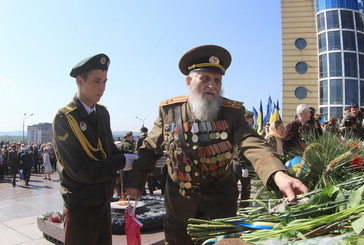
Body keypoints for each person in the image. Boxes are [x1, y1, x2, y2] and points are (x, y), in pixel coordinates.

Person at [126, 45, 308, 245]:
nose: (212, 85)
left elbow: (252, 142)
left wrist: (278, 174)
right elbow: (150, 148)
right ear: (189, 81)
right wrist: (135, 183)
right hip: (179, 202)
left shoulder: (232, 112)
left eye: (217, 80)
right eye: (205, 78)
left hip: (220, 201)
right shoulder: (169, 111)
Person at [52, 54, 137, 245]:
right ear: (80, 81)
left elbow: (108, 152)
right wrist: (121, 162)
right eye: (97, 81)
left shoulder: (102, 113)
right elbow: (80, 170)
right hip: (80, 206)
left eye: (105, 82)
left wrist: (134, 159)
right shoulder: (65, 118)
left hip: (103, 202)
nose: (102, 88)